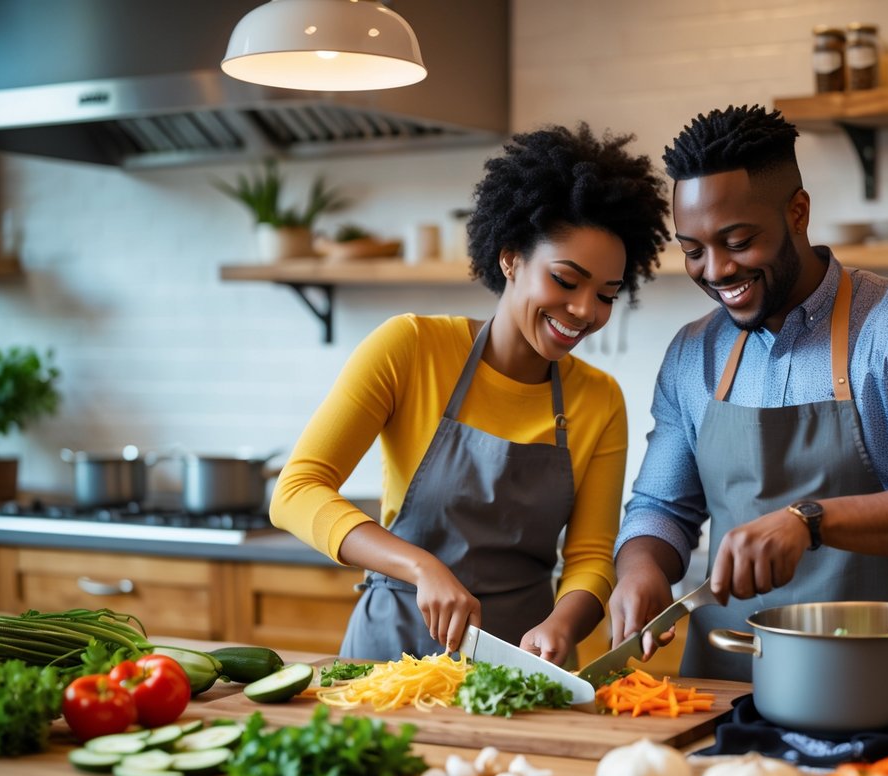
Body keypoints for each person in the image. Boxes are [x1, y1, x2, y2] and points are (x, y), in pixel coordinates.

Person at [608, 104, 888, 682]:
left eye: (737, 240)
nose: (716, 270)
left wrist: (809, 521)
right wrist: (642, 570)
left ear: (798, 214)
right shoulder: (691, 354)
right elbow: (661, 508)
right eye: (694, 249)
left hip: (881, 693)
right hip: (725, 697)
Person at [270, 124, 671, 665]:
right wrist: (421, 566)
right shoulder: (411, 347)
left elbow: (591, 556)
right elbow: (296, 491)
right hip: (391, 653)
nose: (584, 311)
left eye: (605, 294)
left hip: (523, 666)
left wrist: (562, 625)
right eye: (565, 280)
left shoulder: (598, 399)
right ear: (510, 258)